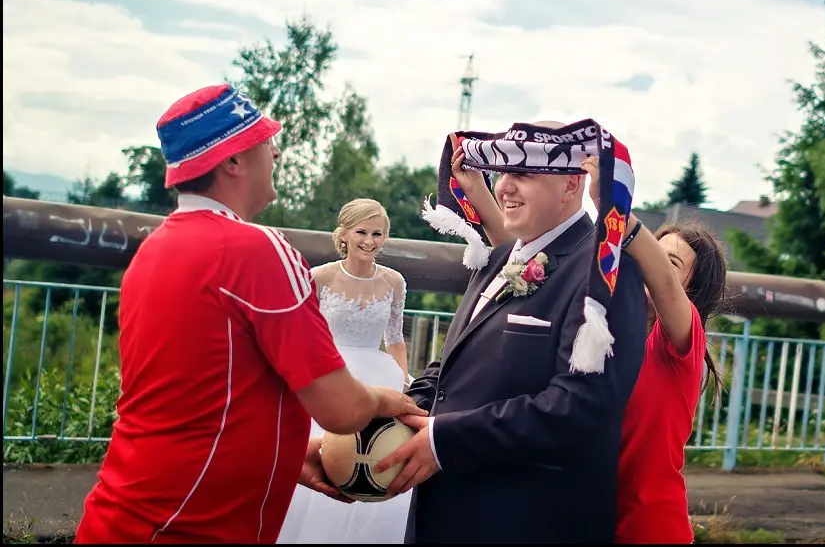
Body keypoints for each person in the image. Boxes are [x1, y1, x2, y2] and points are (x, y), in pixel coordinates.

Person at [74, 84, 425, 545]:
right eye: (264, 141)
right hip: (195, 522)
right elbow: (342, 409)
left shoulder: (153, 250)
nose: (275, 151)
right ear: (232, 162)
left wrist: (285, 455)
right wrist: (390, 401)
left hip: (130, 509)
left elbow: (198, 395)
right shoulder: (259, 249)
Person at [378, 120, 648, 544]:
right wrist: (405, 407)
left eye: (523, 173)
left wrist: (445, 439)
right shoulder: (499, 258)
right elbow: (455, 366)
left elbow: (580, 407)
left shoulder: (605, 272)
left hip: (528, 519)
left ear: (571, 186)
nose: (504, 186)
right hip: (446, 511)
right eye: (502, 172)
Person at [451, 148, 728, 545]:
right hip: (581, 514)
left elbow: (664, 288)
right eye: (650, 257)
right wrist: (478, 191)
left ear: (692, 289)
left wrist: (613, 209)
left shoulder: (682, 345)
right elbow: (524, 265)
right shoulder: (603, 321)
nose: (649, 268)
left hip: (647, 526)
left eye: (671, 264)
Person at [277, 198, 414, 544]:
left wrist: (403, 381)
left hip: (379, 377)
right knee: (329, 458)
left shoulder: (394, 282)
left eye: (377, 234)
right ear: (344, 234)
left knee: (377, 458)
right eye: (362, 232)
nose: (370, 240)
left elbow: (395, 339)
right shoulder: (319, 277)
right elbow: (303, 334)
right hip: (331, 375)